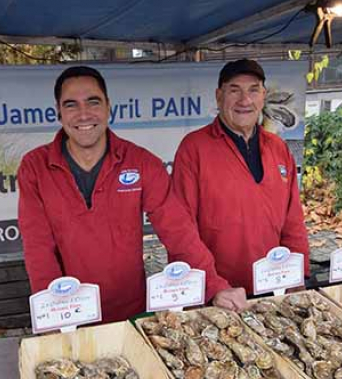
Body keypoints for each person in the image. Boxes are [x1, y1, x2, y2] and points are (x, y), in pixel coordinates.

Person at [18, 66, 247, 323]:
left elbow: (178, 230)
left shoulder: (141, 162)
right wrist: (53, 312)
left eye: (93, 102)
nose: (84, 114)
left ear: (108, 107)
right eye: (71, 105)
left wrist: (214, 286)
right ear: (59, 113)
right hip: (68, 313)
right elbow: (38, 246)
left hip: (130, 312)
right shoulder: (35, 167)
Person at [172, 59, 310, 294]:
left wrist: (298, 272)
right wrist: (212, 287)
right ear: (219, 96)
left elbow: (293, 220)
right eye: (234, 90)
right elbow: (181, 229)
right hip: (219, 294)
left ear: (263, 95)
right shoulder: (194, 148)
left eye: (253, 90)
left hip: (274, 287)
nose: (244, 100)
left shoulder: (278, 148)